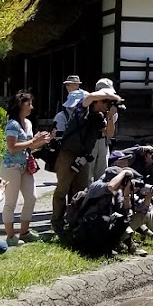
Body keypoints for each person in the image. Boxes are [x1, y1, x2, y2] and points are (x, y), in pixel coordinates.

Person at [50, 88, 117, 234]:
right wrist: (113, 96)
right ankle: (57, 222)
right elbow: (91, 96)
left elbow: (109, 133)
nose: (108, 106)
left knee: (81, 190)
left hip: (83, 157)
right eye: (106, 103)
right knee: (62, 189)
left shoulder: (99, 117)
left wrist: (111, 117)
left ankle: (74, 221)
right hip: (68, 154)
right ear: (98, 102)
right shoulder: (81, 111)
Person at [1, 90, 50, 244]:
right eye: (29, 104)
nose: (31, 107)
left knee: (31, 197)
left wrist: (43, 140)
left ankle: (24, 232)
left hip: (25, 166)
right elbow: (12, 147)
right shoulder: (12, 124)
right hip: (11, 167)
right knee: (11, 202)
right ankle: (10, 237)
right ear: (20, 105)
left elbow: (29, 147)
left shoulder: (28, 123)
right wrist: (32, 142)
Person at [89, 76, 120, 175]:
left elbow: (109, 133)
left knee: (102, 174)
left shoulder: (111, 109)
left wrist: (109, 116)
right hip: (89, 141)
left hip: (103, 141)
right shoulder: (88, 107)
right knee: (87, 174)